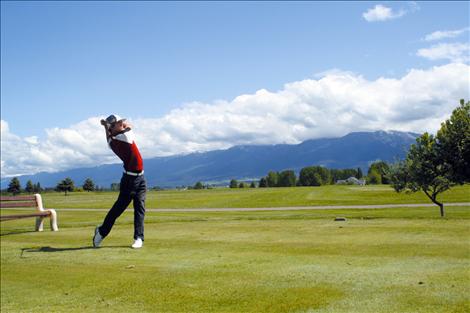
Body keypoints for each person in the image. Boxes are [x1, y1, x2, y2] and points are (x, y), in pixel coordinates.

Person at [93, 114, 147, 249]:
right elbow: (129, 126)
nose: (123, 123)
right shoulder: (124, 136)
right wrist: (107, 125)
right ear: (114, 128)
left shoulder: (112, 140)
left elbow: (108, 137)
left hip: (140, 178)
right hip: (130, 180)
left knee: (140, 208)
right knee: (118, 209)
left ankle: (138, 238)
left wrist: (106, 126)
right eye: (119, 123)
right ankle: (101, 231)